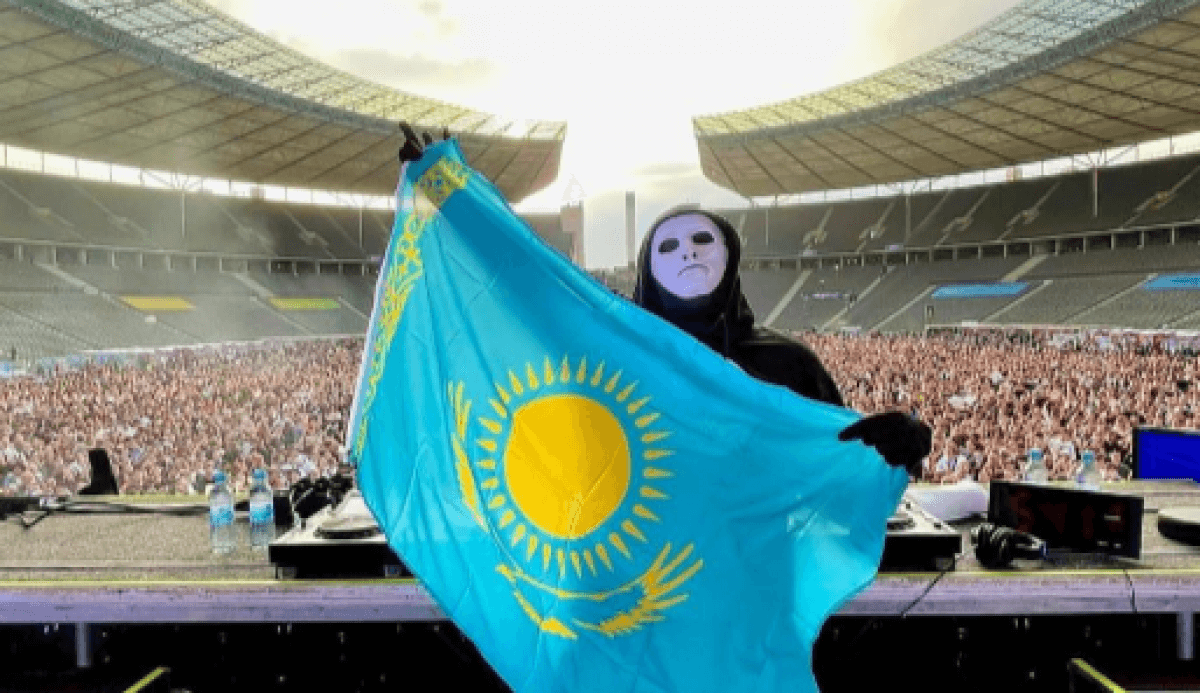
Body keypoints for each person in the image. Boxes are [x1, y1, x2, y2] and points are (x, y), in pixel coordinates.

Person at [631, 207, 932, 476]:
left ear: (730, 255)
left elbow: (836, 456)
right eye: (669, 246)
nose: (688, 253)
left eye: (702, 239)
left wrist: (891, 446)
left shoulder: (790, 363)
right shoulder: (624, 364)